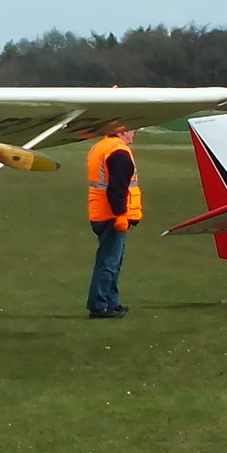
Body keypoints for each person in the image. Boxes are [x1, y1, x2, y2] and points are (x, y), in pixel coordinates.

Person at [86, 127, 142, 318]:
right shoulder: (119, 151)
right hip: (112, 215)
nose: (134, 134)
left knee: (113, 260)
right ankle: (99, 305)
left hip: (99, 212)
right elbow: (117, 188)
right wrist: (121, 215)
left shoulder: (100, 147)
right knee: (109, 261)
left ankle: (111, 302)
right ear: (121, 132)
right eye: (132, 130)